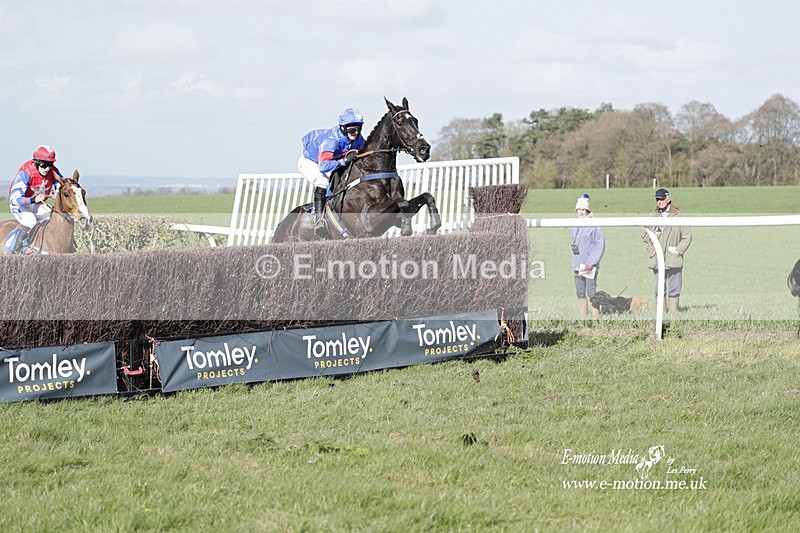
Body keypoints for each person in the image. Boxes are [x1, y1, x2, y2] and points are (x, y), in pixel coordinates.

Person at [298, 108, 366, 237]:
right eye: (352, 130)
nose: (356, 133)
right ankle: (319, 220)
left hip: (330, 160)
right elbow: (324, 167)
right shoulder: (331, 141)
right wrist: (345, 160)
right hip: (311, 161)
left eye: (358, 129)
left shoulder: (357, 137)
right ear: (343, 128)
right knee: (322, 181)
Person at [642, 188, 692, 313]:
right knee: (659, 287)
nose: (659, 202)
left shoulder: (679, 216)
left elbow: (687, 236)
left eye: (662, 199)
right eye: (657, 199)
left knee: (675, 287)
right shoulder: (652, 215)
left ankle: (673, 313)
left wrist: (678, 250)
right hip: (657, 258)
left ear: (668, 199)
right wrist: (653, 235)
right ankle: (661, 313)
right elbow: (644, 235)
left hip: (673, 258)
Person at [7, 145, 62, 254]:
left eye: (50, 165)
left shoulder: (53, 171)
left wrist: (57, 193)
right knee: (30, 221)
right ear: (36, 162)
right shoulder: (25, 173)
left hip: (38, 204)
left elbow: (61, 184)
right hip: (21, 206)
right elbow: (14, 199)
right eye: (44, 165)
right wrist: (33, 200)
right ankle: (16, 251)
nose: (47, 168)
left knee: (53, 218)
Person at [571, 194, 605, 317]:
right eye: (579, 210)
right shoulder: (575, 225)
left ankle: (596, 316)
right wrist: (575, 265)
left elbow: (599, 246)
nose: (581, 212)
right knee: (580, 293)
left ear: (587, 211)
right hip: (577, 265)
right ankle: (583, 317)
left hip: (589, 265)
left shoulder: (595, 226)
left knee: (591, 292)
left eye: (583, 210)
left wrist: (590, 264)